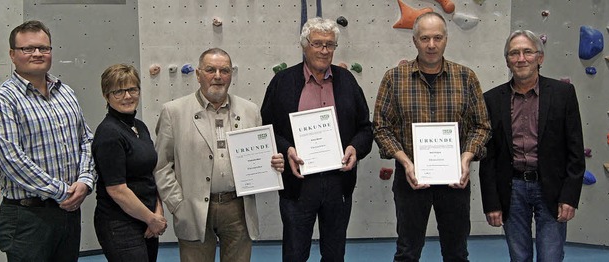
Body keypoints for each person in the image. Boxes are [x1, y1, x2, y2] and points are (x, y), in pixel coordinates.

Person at [373, 12, 491, 262]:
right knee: (407, 251)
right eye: (424, 38)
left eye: (437, 38)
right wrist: (406, 162)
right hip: (410, 177)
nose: (431, 45)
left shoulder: (466, 77)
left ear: (446, 39)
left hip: (455, 180)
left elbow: (482, 126)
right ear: (414, 40)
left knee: (457, 252)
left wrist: (466, 158)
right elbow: (381, 127)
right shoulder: (394, 78)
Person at [154, 47, 285, 262]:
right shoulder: (173, 112)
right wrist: (178, 204)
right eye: (210, 70)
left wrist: (272, 164)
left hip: (238, 209)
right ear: (198, 74)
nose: (217, 76)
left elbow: (260, 157)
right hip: (193, 208)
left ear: (231, 75)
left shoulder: (250, 110)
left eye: (224, 70)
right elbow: (161, 165)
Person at [0, 20, 96, 261]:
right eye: (27, 49)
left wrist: (85, 181)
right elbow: (12, 161)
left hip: (68, 214)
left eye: (44, 48)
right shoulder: (3, 100)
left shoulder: (66, 92)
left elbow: (85, 140)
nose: (37, 53)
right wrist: (63, 191)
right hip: (27, 219)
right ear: (12, 55)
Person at [261, 17, 373, 262]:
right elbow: (267, 128)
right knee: (294, 253)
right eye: (318, 44)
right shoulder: (282, 82)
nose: (324, 51)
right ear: (304, 45)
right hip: (298, 184)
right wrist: (286, 148)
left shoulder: (347, 81)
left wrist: (355, 148)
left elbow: (365, 128)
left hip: (338, 183)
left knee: (334, 254)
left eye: (330, 45)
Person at [479, 30, 585, 262]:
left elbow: (575, 150)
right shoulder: (491, 100)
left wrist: (569, 197)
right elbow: (489, 158)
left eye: (528, 52)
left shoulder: (563, 94)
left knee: (551, 257)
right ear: (507, 60)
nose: (521, 58)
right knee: (519, 257)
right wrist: (491, 203)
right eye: (514, 53)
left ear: (540, 57)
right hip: (512, 189)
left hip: (552, 189)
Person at [92, 64, 167, 261]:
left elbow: (149, 174)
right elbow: (117, 189)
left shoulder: (139, 127)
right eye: (118, 91)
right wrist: (151, 218)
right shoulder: (109, 133)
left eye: (132, 89)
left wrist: (157, 212)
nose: (127, 96)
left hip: (146, 219)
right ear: (106, 95)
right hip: (120, 224)